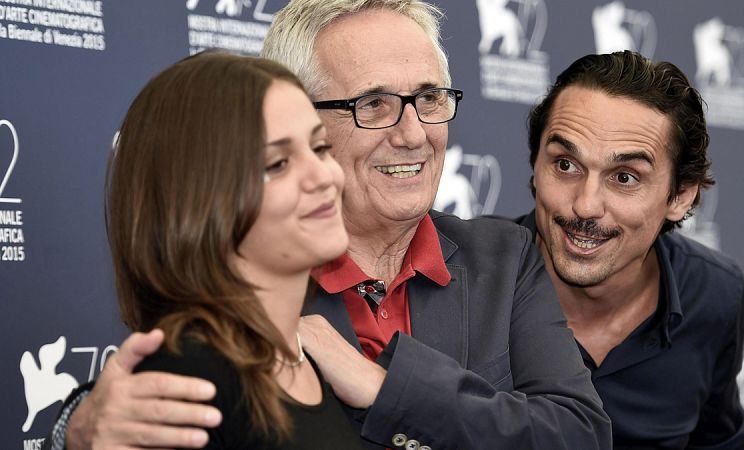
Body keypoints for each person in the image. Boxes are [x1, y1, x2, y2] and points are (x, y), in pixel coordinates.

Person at [50, 1, 612, 450]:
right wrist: (74, 427)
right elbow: (167, 390)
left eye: (428, 98)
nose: (413, 133)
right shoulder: (261, 288)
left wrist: (388, 387)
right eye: (374, 104)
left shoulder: (505, 256)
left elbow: (580, 435)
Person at [100, 51, 363, 449]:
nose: (323, 175)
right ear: (199, 200)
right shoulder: (186, 381)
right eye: (278, 164)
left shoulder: (304, 360)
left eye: (320, 147)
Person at [519, 50, 744, 448]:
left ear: (680, 196)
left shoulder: (715, 295)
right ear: (536, 164)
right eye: (566, 165)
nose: (585, 205)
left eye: (624, 177)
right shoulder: (466, 276)